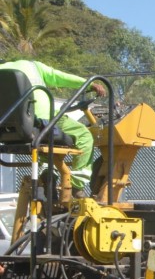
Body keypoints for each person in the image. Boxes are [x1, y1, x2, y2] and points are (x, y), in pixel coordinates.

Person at [0, 59, 106, 197]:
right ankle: (76, 185)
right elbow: (60, 77)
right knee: (84, 136)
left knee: (51, 145)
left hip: (10, 129)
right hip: (45, 121)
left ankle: (49, 175)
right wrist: (90, 84)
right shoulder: (32, 66)